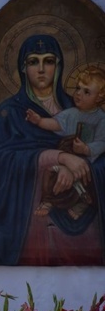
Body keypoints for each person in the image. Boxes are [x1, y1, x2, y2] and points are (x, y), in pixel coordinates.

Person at [0, 34, 105, 266]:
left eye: (49, 61)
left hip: (82, 231)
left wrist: (78, 170)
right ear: (23, 68)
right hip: (32, 227)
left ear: (59, 65)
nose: (41, 69)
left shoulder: (79, 109)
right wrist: (56, 158)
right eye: (33, 62)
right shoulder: (10, 114)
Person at [25, 65, 105, 219]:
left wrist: (86, 149)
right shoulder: (71, 113)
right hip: (68, 157)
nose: (78, 94)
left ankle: (83, 202)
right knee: (51, 172)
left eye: (86, 92)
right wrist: (39, 121)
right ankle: (49, 200)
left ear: (100, 97)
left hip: (86, 161)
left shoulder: (101, 119)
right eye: (78, 89)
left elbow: (102, 142)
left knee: (86, 181)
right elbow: (56, 124)